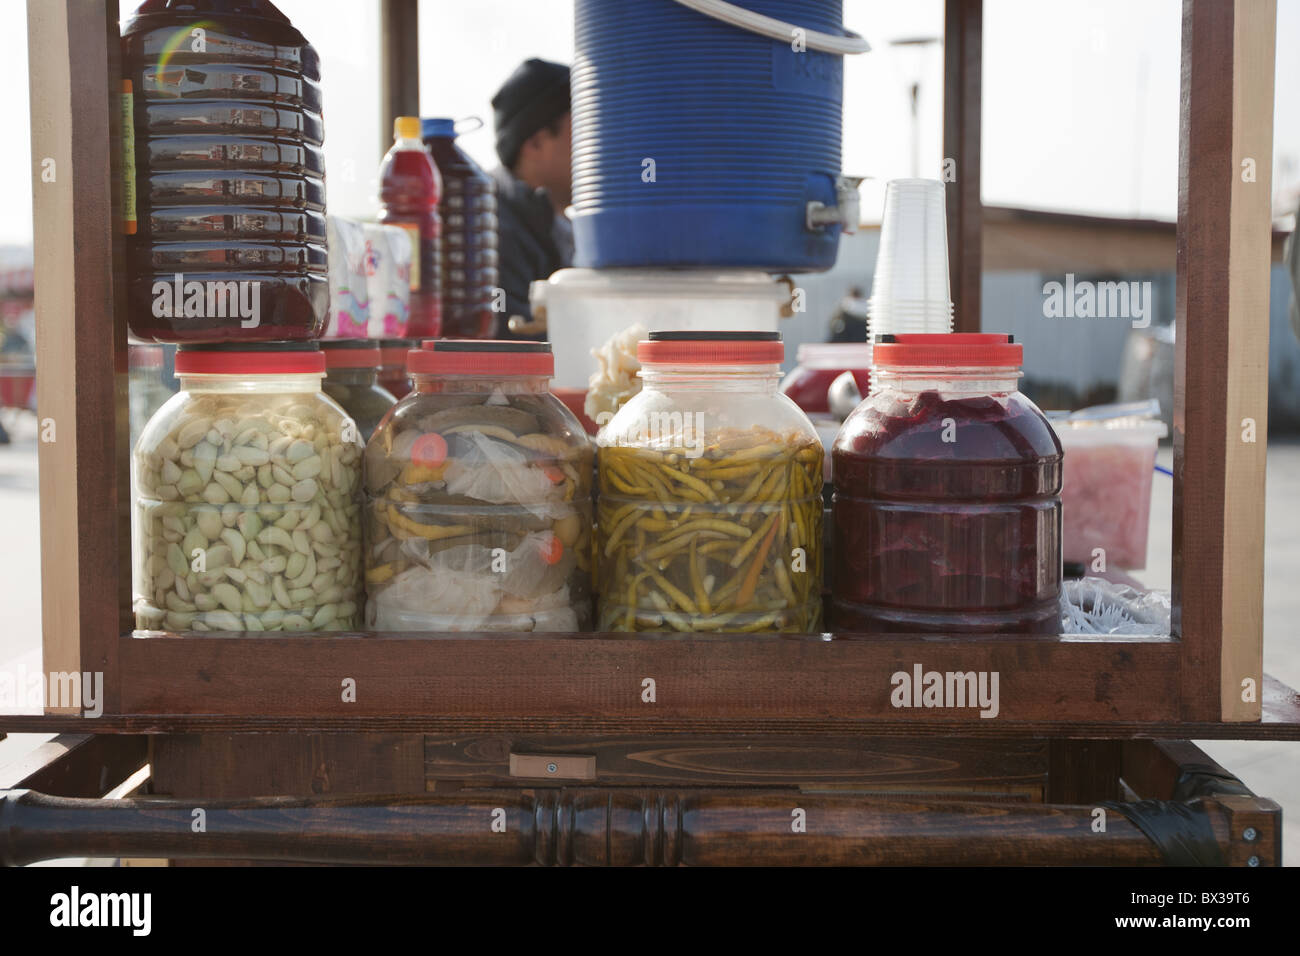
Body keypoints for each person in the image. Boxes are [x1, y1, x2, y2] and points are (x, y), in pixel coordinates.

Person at [489, 58, 573, 340]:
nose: (599, 144)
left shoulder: (557, 227)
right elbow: (515, 359)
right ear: (536, 143)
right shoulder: (489, 228)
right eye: (584, 128)